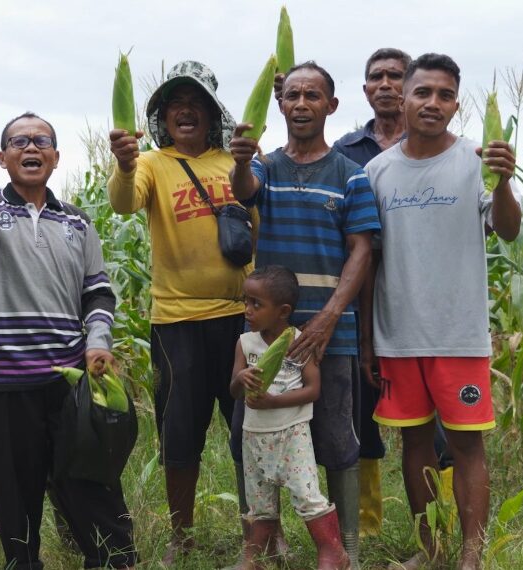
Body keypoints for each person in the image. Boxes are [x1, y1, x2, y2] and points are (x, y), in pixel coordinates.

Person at [0, 110, 137, 569]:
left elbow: (98, 293)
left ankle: (113, 562)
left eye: (41, 141)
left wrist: (99, 340)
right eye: (18, 142)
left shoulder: (77, 222)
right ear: (4, 160)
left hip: (69, 383)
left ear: (55, 157)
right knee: (15, 501)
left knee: (93, 486)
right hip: (0, 384)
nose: (31, 148)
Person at [363, 53, 521, 570]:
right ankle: (429, 552)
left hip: (459, 334)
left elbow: (509, 229)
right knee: (415, 445)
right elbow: (368, 259)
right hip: (399, 335)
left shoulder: (478, 161)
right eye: (423, 92)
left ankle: (470, 558)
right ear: (401, 98)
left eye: (445, 94)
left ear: (456, 102)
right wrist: (367, 339)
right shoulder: (377, 171)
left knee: (466, 446)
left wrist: (503, 183)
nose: (433, 103)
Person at [230, 61, 381, 568]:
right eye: (292, 95)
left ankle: (346, 550)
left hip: (327, 334)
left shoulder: (352, 176)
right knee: (251, 435)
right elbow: (243, 192)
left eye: (312, 95)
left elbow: (361, 250)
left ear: (331, 106)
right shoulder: (265, 168)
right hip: (269, 335)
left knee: (338, 439)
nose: (300, 104)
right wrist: (240, 160)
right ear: (280, 104)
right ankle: (266, 543)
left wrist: (327, 318)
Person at [107, 60, 255, 563]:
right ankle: (180, 536)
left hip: (241, 321)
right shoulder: (151, 164)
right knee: (180, 433)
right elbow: (124, 204)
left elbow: (260, 224)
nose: (184, 110)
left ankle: (254, 534)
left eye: (196, 103)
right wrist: (125, 165)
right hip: (178, 323)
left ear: (212, 113)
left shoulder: (236, 163)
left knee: (247, 430)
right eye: (174, 104)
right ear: (162, 117)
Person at [333, 48, 462, 540]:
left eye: (394, 76)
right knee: (364, 417)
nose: (385, 84)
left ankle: (441, 525)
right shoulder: (348, 153)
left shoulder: (440, 145)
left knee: (444, 431)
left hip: (436, 312)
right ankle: (366, 525)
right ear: (365, 89)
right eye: (375, 77)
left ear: (406, 87)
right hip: (368, 302)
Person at [230, 265, 349, 570]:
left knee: (307, 495)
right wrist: (241, 379)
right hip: (253, 436)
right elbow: (233, 391)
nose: (248, 310)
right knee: (260, 504)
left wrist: (273, 402)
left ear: (282, 311)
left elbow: (313, 390)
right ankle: (254, 558)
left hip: (291, 434)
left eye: (257, 304)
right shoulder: (245, 344)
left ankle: (333, 552)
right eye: (246, 301)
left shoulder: (298, 342)